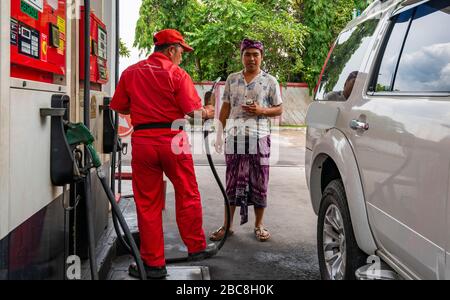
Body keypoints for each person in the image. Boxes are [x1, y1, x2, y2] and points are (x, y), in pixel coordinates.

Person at [110, 29, 216, 279]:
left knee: (147, 203)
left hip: (144, 142)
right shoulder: (177, 74)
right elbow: (194, 114)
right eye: (181, 52)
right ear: (171, 50)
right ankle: (196, 246)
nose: (182, 57)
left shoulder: (131, 72)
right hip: (173, 139)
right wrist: (209, 110)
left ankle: (154, 264)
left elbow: (120, 105)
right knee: (187, 191)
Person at [211, 38, 283, 242]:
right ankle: (227, 226)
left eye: (255, 54)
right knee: (231, 181)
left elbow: (279, 108)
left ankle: (259, 225)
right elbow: (225, 107)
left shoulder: (270, 81)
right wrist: (218, 133)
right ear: (241, 56)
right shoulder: (232, 79)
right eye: (247, 54)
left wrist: (261, 110)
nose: (251, 58)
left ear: (261, 56)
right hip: (234, 138)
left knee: (260, 180)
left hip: (259, 138)